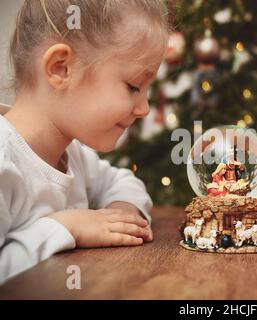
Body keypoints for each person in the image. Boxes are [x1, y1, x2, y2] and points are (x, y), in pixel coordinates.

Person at [0, 0, 169, 284]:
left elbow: (123, 182)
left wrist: (121, 214)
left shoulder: (72, 152)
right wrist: (65, 227)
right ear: (61, 68)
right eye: (133, 86)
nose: (144, 109)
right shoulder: (5, 160)